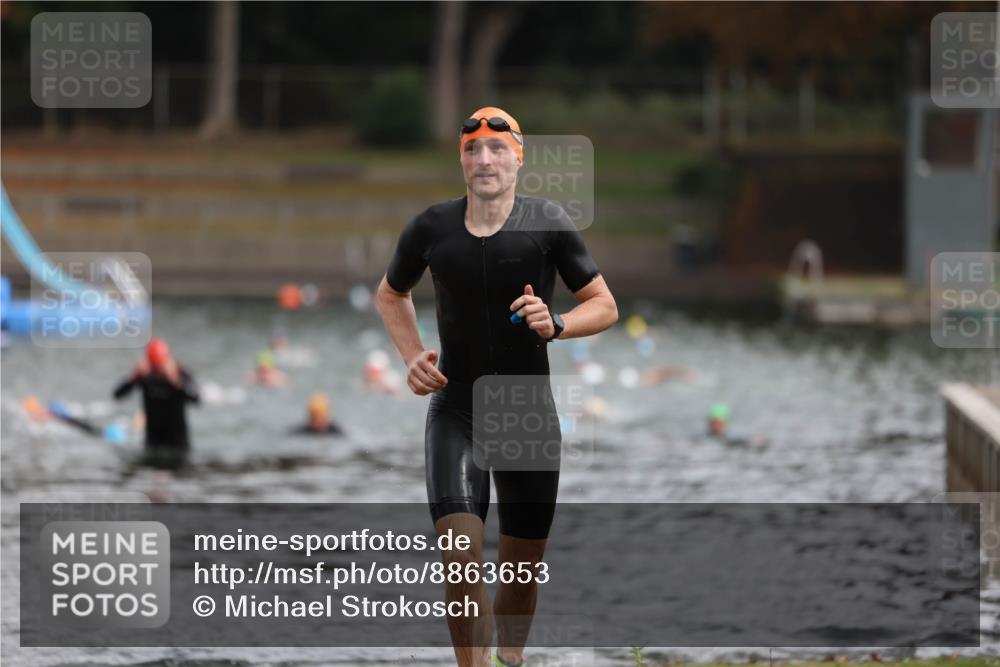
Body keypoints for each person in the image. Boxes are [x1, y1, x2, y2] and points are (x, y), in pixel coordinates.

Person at [375, 107, 618, 667]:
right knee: (459, 556)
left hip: (525, 414)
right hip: (456, 409)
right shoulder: (430, 229)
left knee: (520, 566)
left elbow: (604, 305)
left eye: (496, 149)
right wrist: (412, 355)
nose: (484, 160)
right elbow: (391, 294)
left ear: (519, 156)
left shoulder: (548, 223)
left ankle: (512, 659)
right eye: (472, 150)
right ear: (461, 160)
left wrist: (556, 324)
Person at [113, 337, 199, 469]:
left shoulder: (180, 372)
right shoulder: (145, 376)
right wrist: (133, 378)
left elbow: (197, 399)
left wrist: (176, 381)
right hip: (153, 441)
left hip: (178, 441)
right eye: (154, 367)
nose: (157, 371)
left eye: (159, 366)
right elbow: (117, 395)